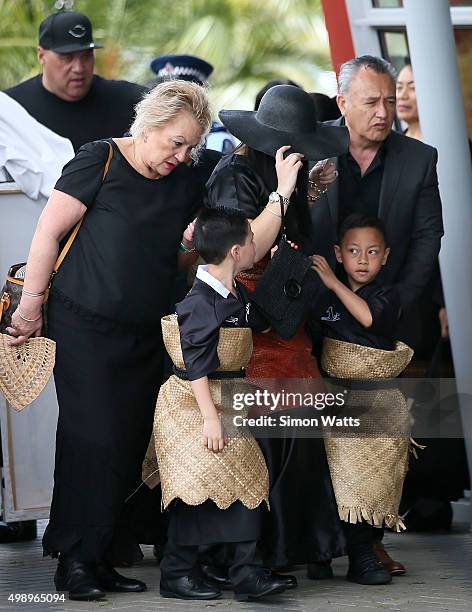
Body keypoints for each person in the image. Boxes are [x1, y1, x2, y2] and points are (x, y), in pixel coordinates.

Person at [5, 80, 212, 601]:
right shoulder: (99, 159)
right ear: (151, 125)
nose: (182, 155)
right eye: (176, 142)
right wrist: (31, 303)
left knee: (129, 441)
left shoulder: (185, 178)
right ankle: (74, 560)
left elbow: (181, 256)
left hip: (147, 330)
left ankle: (107, 555)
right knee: (89, 438)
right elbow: (48, 232)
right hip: (85, 325)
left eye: (192, 146)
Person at [306, 55, 444, 574]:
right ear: (342, 103)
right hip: (313, 310)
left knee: (376, 434)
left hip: (383, 314)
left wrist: (399, 298)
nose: (384, 112)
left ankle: (369, 537)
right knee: (311, 429)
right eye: (371, 102)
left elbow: (430, 234)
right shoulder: (313, 144)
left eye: (389, 100)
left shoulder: (418, 158)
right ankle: (320, 542)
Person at [205, 84, 350, 577]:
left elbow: (292, 234)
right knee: (265, 434)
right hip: (248, 321)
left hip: (284, 314)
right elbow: (241, 250)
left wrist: (307, 191)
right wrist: (286, 192)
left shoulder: (281, 168)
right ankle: (255, 554)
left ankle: (297, 547)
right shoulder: (235, 174)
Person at [152, 207, 295, 601]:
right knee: (195, 485)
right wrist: (210, 419)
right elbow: (196, 362)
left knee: (248, 480)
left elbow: (266, 321)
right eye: (251, 240)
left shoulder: (235, 293)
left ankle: (245, 572)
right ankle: (177, 572)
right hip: (195, 404)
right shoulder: (198, 301)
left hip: (228, 399)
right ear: (236, 251)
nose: (256, 245)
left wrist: (286, 267)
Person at [311, 213, 413, 585]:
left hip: (376, 402)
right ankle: (321, 553)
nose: (363, 260)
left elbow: (369, 319)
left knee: (371, 480)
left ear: (385, 256)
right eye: (354, 251)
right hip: (335, 399)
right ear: (339, 253)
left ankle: (365, 554)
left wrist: (333, 283)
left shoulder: (388, 295)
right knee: (331, 480)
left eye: (372, 252)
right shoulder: (323, 300)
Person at [4, 11, 146, 151]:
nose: (78, 68)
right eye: (67, 58)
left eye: (86, 56)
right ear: (41, 55)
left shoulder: (127, 99)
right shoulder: (10, 108)